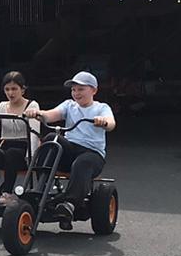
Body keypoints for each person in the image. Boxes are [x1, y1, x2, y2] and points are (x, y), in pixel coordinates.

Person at [25, 70, 115, 218]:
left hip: (92, 154)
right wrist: (38, 113)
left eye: (81, 89)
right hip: (70, 150)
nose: (76, 93)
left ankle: (70, 203)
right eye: (73, 90)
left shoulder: (101, 108)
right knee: (52, 138)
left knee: (83, 162)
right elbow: (51, 115)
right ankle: (40, 190)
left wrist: (103, 121)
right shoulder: (69, 105)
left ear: (94, 90)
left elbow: (111, 123)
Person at [0, 72, 40, 205]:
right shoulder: (0, 107)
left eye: (14, 89)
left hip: (24, 149)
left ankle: (7, 193)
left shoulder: (32, 106)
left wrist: (31, 157)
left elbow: (34, 133)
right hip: (6, 145)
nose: (11, 93)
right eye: (7, 89)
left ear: (22, 90)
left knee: (12, 153)